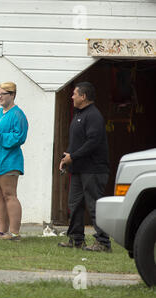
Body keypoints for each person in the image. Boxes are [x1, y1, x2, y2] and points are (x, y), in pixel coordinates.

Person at [58, 82, 111, 252]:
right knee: (74, 205)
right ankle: (76, 239)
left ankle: (103, 242)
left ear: (83, 96)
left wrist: (72, 157)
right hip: (79, 169)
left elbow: (93, 142)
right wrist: (67, 157)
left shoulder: (93, 115)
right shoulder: (79, 114)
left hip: (93, 169)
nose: (71, 97)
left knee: (94, 206)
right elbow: (78, 142)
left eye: (74, 94)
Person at [0, 82, 28, 240]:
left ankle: (14, 233)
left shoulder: (17, 114)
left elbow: (19, 137)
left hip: (8, 160)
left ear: (12, 95)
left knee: (9, 195)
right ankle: (2, 232)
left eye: (2, 94)